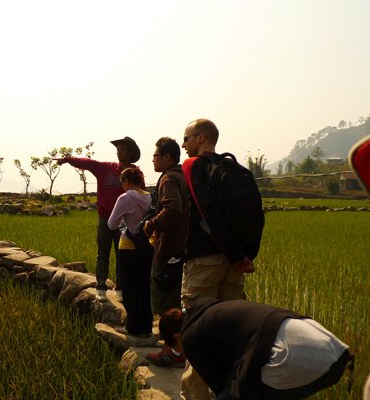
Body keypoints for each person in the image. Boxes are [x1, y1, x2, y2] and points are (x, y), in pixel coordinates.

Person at [179, 118, 263, 399]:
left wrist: (234, 254)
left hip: (205, 261)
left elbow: (207, 214)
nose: (184, 144)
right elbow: (258, 217)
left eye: (187, 138)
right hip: (234, 263)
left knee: (197, 333)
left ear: (202, 138)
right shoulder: (236, 169)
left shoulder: (193, 165)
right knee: (232, 335)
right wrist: (244, 256)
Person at [156, 298, 353, 400]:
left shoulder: (189, 336)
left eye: (176, 349)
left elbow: (220, 386)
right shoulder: (206, 308)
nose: (181, 353)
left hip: (287, 355)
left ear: (176, 337)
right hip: (332, 350)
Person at [56, 137, 141, 302]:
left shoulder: (135, 174)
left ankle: (121, 288)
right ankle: (101, 286)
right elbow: (88, 162)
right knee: (102, 254)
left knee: (122, 255)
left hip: (125, 224)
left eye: (122, 149)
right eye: (117, 149)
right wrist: (68, 159)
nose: (118, 151)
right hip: (105, 219)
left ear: (131, 152)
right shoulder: (106, 168)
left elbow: (141, 197)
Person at [142, 137, 190, 316]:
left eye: (155, 155)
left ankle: (167, 340)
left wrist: (150, 224)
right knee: (178, 299)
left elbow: (172, 209)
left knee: (165, 303)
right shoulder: (183, 175)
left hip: (169, 247)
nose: (153, 159)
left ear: (167, 157)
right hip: (183, 247)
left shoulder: (168, 179)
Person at [107, 167, 154, 336]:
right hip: (146, 246)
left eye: (122, 182)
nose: (122, 186)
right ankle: (147, 326)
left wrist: (123, 223)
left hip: (128, 246)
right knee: (144, 286)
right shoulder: (149, 196)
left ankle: (133, 327)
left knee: (130, 288)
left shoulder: (125, 198)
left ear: (126, 181)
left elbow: (111, 224)